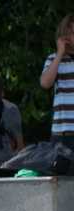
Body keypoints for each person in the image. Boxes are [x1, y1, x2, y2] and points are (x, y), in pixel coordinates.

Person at [40, 13, 74, 151]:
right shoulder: (53, 59)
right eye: (69, 32)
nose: (71, 36)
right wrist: (60, 53)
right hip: (62, 131)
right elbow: (45, 83)